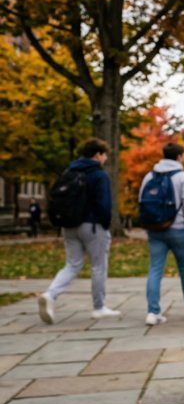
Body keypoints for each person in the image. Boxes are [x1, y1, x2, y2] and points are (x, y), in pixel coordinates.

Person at [37, 138, 120, 324]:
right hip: (92, 225)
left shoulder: (69, 171)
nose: (105, 158)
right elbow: (104, 204)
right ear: (98, 154)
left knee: (73, 264)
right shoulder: (98, 175)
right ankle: (99, 308)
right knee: (99, 266)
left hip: (69, 225)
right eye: (104, 154)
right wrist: (105, 225)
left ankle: (50, 295)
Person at [141, 142, 184, 325]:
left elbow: (142, 201)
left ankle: (153, 312)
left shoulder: (149, 176)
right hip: (179, 229)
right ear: (180, 156)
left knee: (155, 268)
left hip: (155, 229)